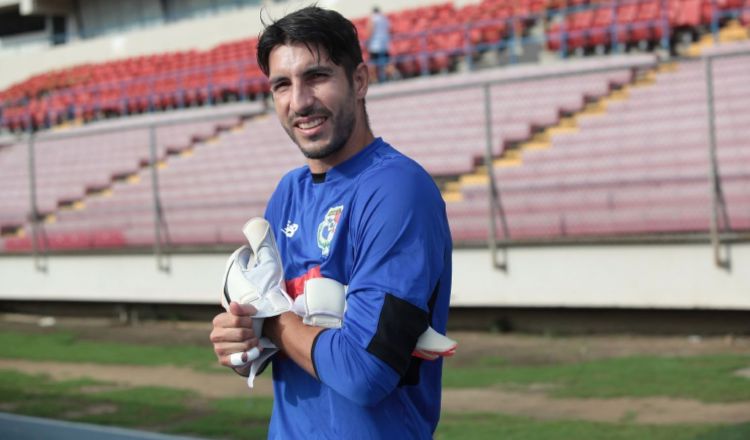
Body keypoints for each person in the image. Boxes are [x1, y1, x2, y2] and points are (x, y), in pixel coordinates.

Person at [209, 6, 452, 439]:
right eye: (282, 84)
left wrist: (272, 319)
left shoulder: (398, 190)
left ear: (359, 80)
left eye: (317, 77)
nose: (299, 102)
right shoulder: (287, 194)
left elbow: (365, 373)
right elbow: (286, 349)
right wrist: (243, 337)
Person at [366, 6, 392, 82]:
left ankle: (374, 79)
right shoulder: (384, 18)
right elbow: (388, 30)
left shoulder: (373, 18)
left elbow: (371, 30)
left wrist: (368, 41)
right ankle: (393, 75)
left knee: (373, 62)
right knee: (386, 61)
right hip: (384, 43)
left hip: (375, 44)